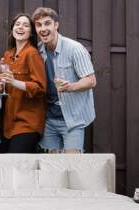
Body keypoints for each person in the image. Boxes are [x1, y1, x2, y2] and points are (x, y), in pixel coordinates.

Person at [32, 7, 97, 153]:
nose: (43, 28)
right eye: (39, 25)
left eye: (47, 23)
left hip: (72, 119)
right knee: (51, 168)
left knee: (71, 165)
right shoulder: (37, 51)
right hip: (48, 120)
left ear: (56, 25)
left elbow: (91, 80)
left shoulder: (75, 49)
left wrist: (71, 87)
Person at [0, 13, 47, 153]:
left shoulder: (32, 54)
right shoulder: (8, 54)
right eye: (17, 24)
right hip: (9, 122)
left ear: (31, 33)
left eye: (25, 25)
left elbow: (40, 88)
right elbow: (7, 87)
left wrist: (13, 81)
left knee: (17, 164)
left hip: (28, 122)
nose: (20, 27)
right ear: (12, 29)